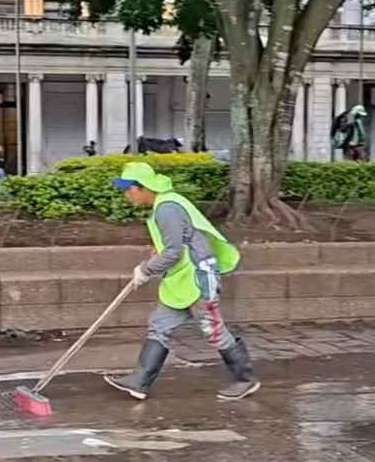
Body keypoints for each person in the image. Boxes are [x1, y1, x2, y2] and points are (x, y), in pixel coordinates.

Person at [104, 162, 260, 401]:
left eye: (129, 189)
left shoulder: (167, 208)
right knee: (160, 324)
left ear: (143, 188)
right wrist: (154, 258)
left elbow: (173, 251)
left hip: (197, 279)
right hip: (181, 281)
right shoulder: (165, 204)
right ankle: (140, 382)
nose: (127, 195)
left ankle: (245, 379)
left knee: (213, 330)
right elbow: (173, 245)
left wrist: (146, 270)